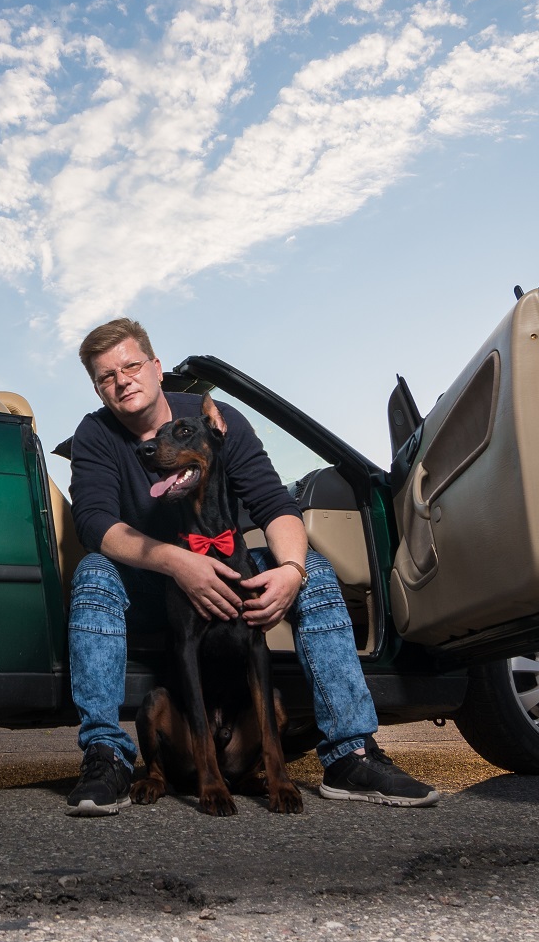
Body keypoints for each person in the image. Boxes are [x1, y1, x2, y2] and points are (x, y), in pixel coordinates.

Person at [63, 317, 441, 815]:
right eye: (106, 376)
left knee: (316, 570)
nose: (122, 380)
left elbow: (273, 504)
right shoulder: (95, 434)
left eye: (131, 366)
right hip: (151, 584)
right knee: (94, 572)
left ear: (156, 368)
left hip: (227, 561)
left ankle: (350, 754)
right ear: (98, 387)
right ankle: (106, 754)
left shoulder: (219, 422)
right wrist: (179, 563)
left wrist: (290, 572)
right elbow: (95, 523)